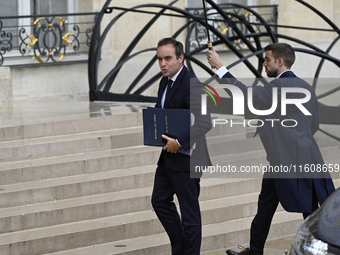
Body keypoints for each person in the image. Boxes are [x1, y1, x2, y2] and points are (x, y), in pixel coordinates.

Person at [206, 43, 335, 255]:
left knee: (308, 211)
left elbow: (245, 96)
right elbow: (313, 125)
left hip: (290, 160)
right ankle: (255, 251)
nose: (263, 64)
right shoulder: (305, 87)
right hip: (289, 158)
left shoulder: (278, 87)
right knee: (269, 208)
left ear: (280, 62)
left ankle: (314, 251)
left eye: (267, 59)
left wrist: (220, 67)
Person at [151, 37, 212, 255]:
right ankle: (180, 247)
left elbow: (205, 122)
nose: (163, 64)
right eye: (159, 59)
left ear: (180, 58)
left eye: (167, 58)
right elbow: (166, 112)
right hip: (168, 157)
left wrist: (179, 142)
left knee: (190, 215)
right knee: (159, 201)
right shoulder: (164, 81)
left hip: (188, 158)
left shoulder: (192, 84)